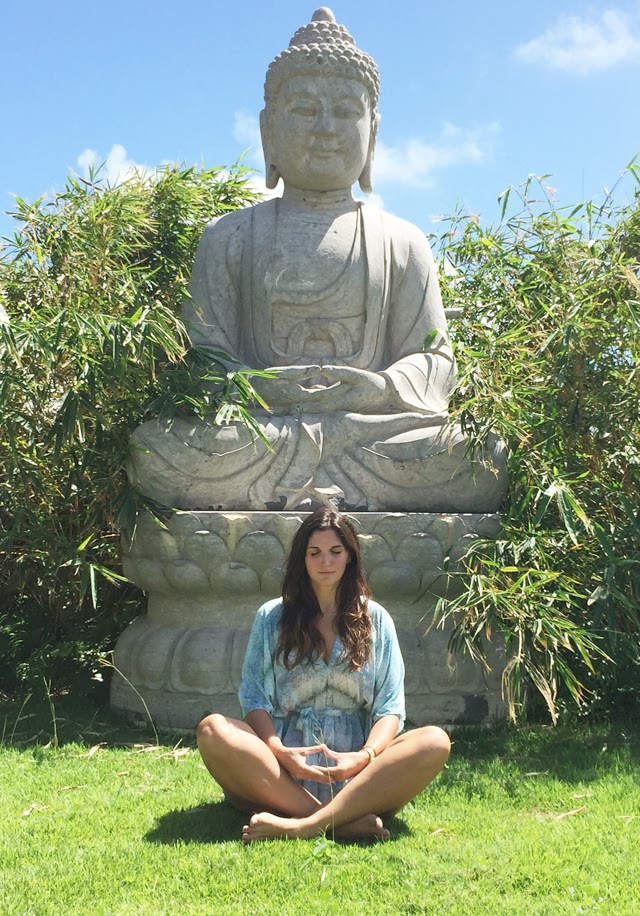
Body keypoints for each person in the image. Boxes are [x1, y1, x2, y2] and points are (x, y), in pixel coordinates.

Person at [130, 7, 506, 514]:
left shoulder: (403, 241)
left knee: (479, 455)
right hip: (260, 432)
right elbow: (203, 358)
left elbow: (435, 360)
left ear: (373, 132)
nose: (326, 128)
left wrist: (379, 388)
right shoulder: (229, 236)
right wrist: (259, 386)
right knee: (154, 449)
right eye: (305, 110)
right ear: (269, 130)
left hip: (367, 433)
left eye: (346, 112)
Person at [196, 508, 451, 842]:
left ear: (350, 556)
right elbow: (254, 698)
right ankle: (340, 822)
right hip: (281, 773)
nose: (325, 562)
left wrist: (364, 757)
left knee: (435, 741)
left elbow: (390, 708)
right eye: (314, 552)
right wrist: (280, 752)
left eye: (335, 551)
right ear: (302, 559)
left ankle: (303, 825)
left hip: (359, 776)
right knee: (212, 729)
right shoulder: (272, 617)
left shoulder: (376, 619)